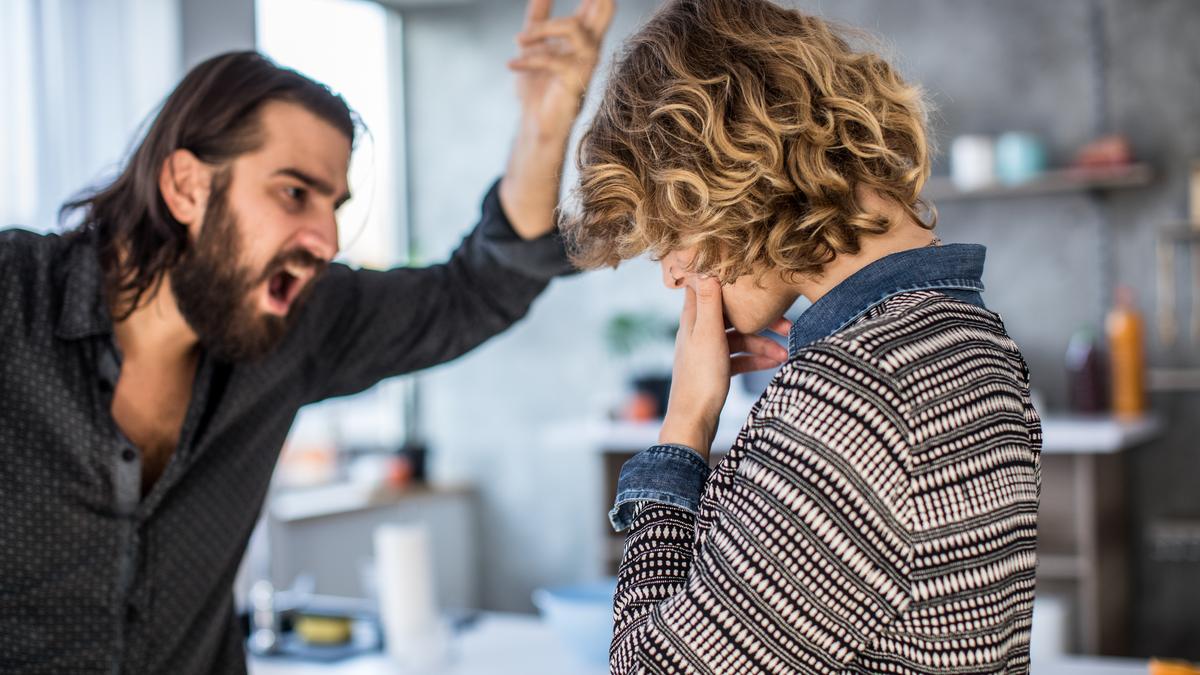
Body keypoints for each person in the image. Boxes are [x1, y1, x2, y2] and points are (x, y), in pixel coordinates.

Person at [0, 1, 613, 672]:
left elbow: (475, 290)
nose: (325, 240)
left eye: (334, 205)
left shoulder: (299, 322)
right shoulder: (14, 299)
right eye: (294, 193)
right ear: (185, 186)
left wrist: (544, 124)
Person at [565, 1, 1042, 672]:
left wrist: (684, 428)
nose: (673, 273)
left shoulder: (856, 398)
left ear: (725, 173)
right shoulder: (969, 334)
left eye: (668, 233)